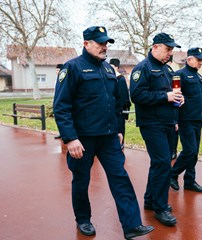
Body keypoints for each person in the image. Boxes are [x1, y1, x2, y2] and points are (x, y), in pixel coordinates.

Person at [53, 26, 154, 239]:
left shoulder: (109, 70)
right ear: (86, 43)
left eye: (106, 43)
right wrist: (70, 138)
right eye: (100, 43)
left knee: (120, 178)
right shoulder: (72, 68)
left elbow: (116, 103)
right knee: (81, 181)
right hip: (83, 139)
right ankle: (83, 219)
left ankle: (132, 225)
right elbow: (61, 106)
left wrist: (118, 130)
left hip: (108, 138)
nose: (104, 46)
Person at [130, 32, 183, 226]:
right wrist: (166, 97)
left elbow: (171, 95)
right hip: (151, 124)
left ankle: (150, 200)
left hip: (168, 122)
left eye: (171, 49)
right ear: (155, 47)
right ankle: (161, 207)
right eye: (168, 49)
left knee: (158, 163)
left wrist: (177, 100)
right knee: (162, 162)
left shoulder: (168, 70)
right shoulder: (142, 68)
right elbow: (136, 95)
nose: (170, 53)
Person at [169, 47, 202, 193]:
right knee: (190, 150)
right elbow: (175, 100)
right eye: (198, 60)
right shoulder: (179, 75)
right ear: (189, 59)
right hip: (185, 119)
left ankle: (189, 181)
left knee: (195, 152)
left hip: (197, 119)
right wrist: (174, 120)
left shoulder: (199, 77)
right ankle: (172, 174)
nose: (200, 62)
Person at [109, 58, 131, 149]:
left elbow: (123, 95)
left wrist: (122, 108)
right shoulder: (109, 77)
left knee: (120, 126)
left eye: (112, 67)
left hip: (119, 108)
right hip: (111, 108)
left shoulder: (120, 79)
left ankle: (121, 143)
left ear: (117, 67)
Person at [54, 64, 63, 140]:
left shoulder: (63, 79)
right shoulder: (56, 79)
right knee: (58, 118)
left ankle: (64, 134)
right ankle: (61, 132)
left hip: (62, 101)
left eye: (58, 70)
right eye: (56, 70)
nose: (57, 71)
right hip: (56, 101)